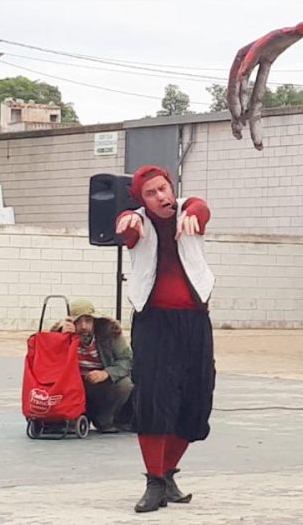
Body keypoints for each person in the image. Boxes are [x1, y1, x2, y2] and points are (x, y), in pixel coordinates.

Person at [115, 165, 215, 514]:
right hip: (154, 323)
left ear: (172, 188)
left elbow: (201, 208)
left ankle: (169, 473)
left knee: (196, 400)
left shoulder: (190, 210)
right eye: (151, 193)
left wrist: (192, 212)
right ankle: (154, 481)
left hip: (195, 321)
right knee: (154, 399)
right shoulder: (137, 220)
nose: (160, 197)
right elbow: (125, 226)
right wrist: (129, 220)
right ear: (141, 200)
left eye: (163, 189)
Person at [51, 298, 135, 433]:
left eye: (88, 320)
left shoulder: (110, 332)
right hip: (72, 386)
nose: (84, 326)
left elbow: (126, 359)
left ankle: (105, 420)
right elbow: (49, 362)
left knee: (125, 384)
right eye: (78, 321)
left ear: (94, 321)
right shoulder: (60, 334)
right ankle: (70, 419)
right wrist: (60, 338)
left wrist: (106, 373)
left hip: (100, 384)